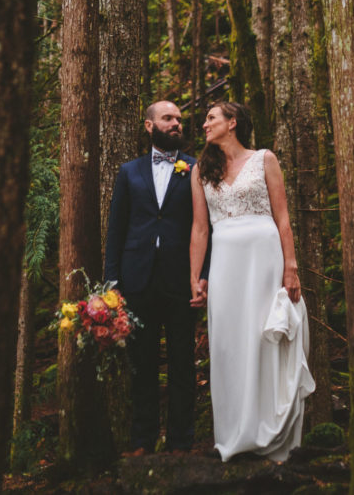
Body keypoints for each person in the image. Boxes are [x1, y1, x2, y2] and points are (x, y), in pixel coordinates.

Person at [189, 101, 314, 462]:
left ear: (232, 123)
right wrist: (196, 277)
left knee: (264, 338)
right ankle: (233, 435)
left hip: (264, 259)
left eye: (211, 118)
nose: (204, 125)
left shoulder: (264, 159)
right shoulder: (202, 170)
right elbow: (199, 229)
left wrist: (290, 266)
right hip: (226, 263)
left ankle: (273, 433)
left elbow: (283, 217)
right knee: (229, 342)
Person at [104, 100, 207, 455]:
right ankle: (142, 442)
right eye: (168, 118)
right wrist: (112, 285)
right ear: (150, 126)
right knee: (142, 366)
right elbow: (116, 230)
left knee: (182, 363)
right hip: (137, 281)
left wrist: (202, 277)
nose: (176, 123)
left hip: (182, 281)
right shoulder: (128, 172)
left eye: (179, 118)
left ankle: (181, 442)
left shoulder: (195, 168)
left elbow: (206, 227)